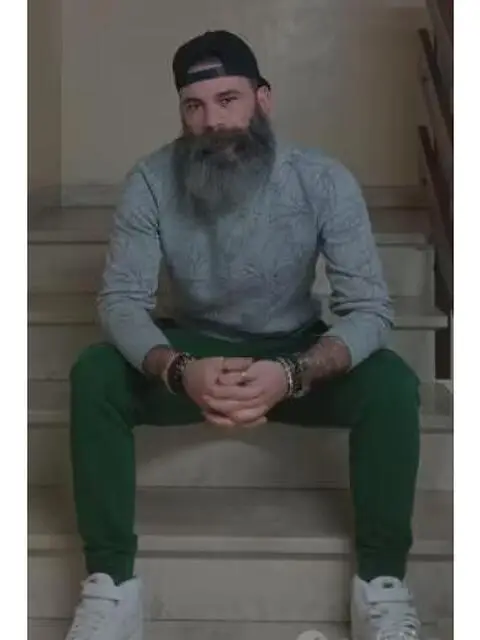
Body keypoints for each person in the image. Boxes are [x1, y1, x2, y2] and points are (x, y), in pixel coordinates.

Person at [65, 30, 422, 640]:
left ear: (263, 99)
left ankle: (382, 586)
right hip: (195, 353)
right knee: (95, 374)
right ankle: (111, 588)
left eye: (228, 99)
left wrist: (294, 373)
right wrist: (179, 369)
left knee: (392, 384)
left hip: (293, 354)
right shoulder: (150, 180)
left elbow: (369, 310)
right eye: (194, 106)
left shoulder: (324, 179)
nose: (212, 121)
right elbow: (122, 301)